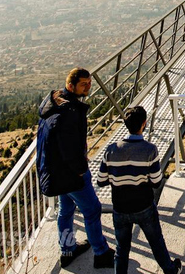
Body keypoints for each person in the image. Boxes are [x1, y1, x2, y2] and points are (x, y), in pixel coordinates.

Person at [36, 67, 115, 269]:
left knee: (66, 208)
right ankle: (101, 252)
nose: (88, 87)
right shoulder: (68, 113)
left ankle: (67, 250)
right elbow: (69, 147)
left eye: (89, 83)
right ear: (70, 85)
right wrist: (80, 170)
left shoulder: (55, 103)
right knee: (92, 209)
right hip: (69, 173)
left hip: (55, 171)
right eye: (83, 84)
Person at [97, 106, 182, 274]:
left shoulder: (111, 149)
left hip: (120, 208)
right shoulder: (149, 150)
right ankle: (170, 270)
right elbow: (157, 182)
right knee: (156, 242)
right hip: (143, 206)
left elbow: (101, 181)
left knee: (122, 249)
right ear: (144, 124)